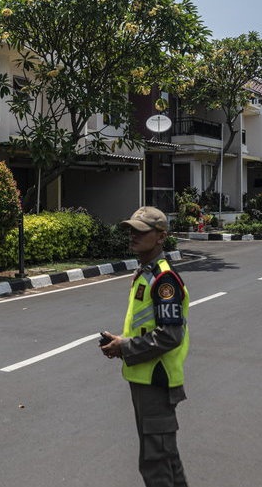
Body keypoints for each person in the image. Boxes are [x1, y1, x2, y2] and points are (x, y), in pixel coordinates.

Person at [100, 206, 189, 487]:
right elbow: (146, 327)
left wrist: (125, 347)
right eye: (131, 230)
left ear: (161, 236)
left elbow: (170, 335)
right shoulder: (145, 273)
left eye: (141, 231)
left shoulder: (164, 280)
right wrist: (121, 343)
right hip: (143, 379)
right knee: (165, 459)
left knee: (155, 464)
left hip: (156, 381)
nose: (133, 236)